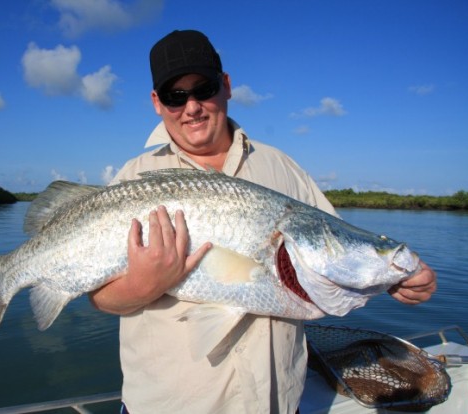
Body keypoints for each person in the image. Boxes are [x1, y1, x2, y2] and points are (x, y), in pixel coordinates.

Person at [89, 29, 437, 414]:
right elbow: (100, 296)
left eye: (203, 88)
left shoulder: (282, 167)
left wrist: (392, 277)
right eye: (175, 96)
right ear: (157, 102)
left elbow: (337, 251)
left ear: (226, 86)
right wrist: (143, 285)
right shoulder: (130, 179)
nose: (192, 107)